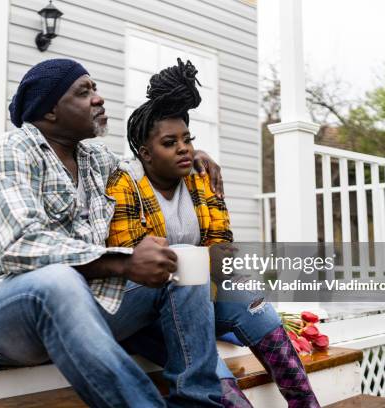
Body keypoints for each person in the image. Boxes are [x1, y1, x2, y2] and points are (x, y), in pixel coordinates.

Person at [0, 58, 228, 407]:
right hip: (2, 319)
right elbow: (21, 245)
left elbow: (154, 159)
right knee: (56, 280)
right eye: (84, 91)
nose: (98, 98)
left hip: (86, 307)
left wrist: (192, 152)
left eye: (95, 88)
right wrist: (123, 263)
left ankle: (198, 400)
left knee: (186, 264)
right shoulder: (9, 152)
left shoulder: (95, 158)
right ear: (50, 111)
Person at [105, 58, 321, 408]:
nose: (184, 148)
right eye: (170, 142)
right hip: (147, 310)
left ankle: (305, 403)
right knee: (207, 356)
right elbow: (137, 264)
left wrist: (210, 260)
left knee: (251, 300)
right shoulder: (124, 185)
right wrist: (204, 261)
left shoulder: (201, 178)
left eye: (188, 140)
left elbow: (223, 251)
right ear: (145, 153)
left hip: (196, 297)